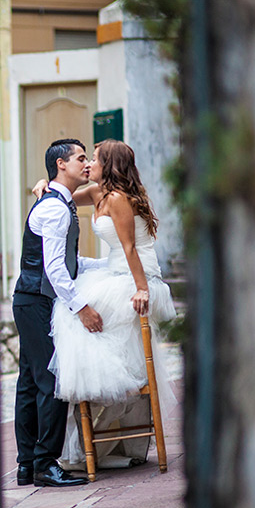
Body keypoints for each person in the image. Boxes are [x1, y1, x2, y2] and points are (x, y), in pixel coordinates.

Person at [30, 139, 177, 468]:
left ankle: (105, 392)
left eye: (93, 159)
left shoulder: (117, 198)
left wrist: (142, 289)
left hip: (134, 275)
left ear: (107, 165)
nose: (87, 165)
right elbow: (63, 197)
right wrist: (45, 185)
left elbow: (129, 249)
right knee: (74, 315)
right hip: (112, 271)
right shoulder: (97, 193)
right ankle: (98, 404)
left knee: (76, 318)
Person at [12, 138, 107, 488]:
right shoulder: (54, 208)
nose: (85, 164)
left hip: (31, 299)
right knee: (51, 381)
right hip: (37, 300)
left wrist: (104, 267)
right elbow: (54, 269)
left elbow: (67, 261)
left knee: (29, 382)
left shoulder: (58, 203)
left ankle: (27, 465)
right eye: (80, 158)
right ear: (60, 165)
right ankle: (45, 464)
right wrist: (81, 308)